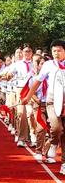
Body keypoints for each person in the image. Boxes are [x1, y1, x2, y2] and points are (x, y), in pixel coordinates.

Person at [22, 39, 65, 175]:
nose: (56, 53)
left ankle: (64, 163)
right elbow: (37, 82)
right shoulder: (48, 65)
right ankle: (53, 142)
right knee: (57, 128)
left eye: (59, 50)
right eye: (54, 51)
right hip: (52, 101)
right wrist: (28, 97)